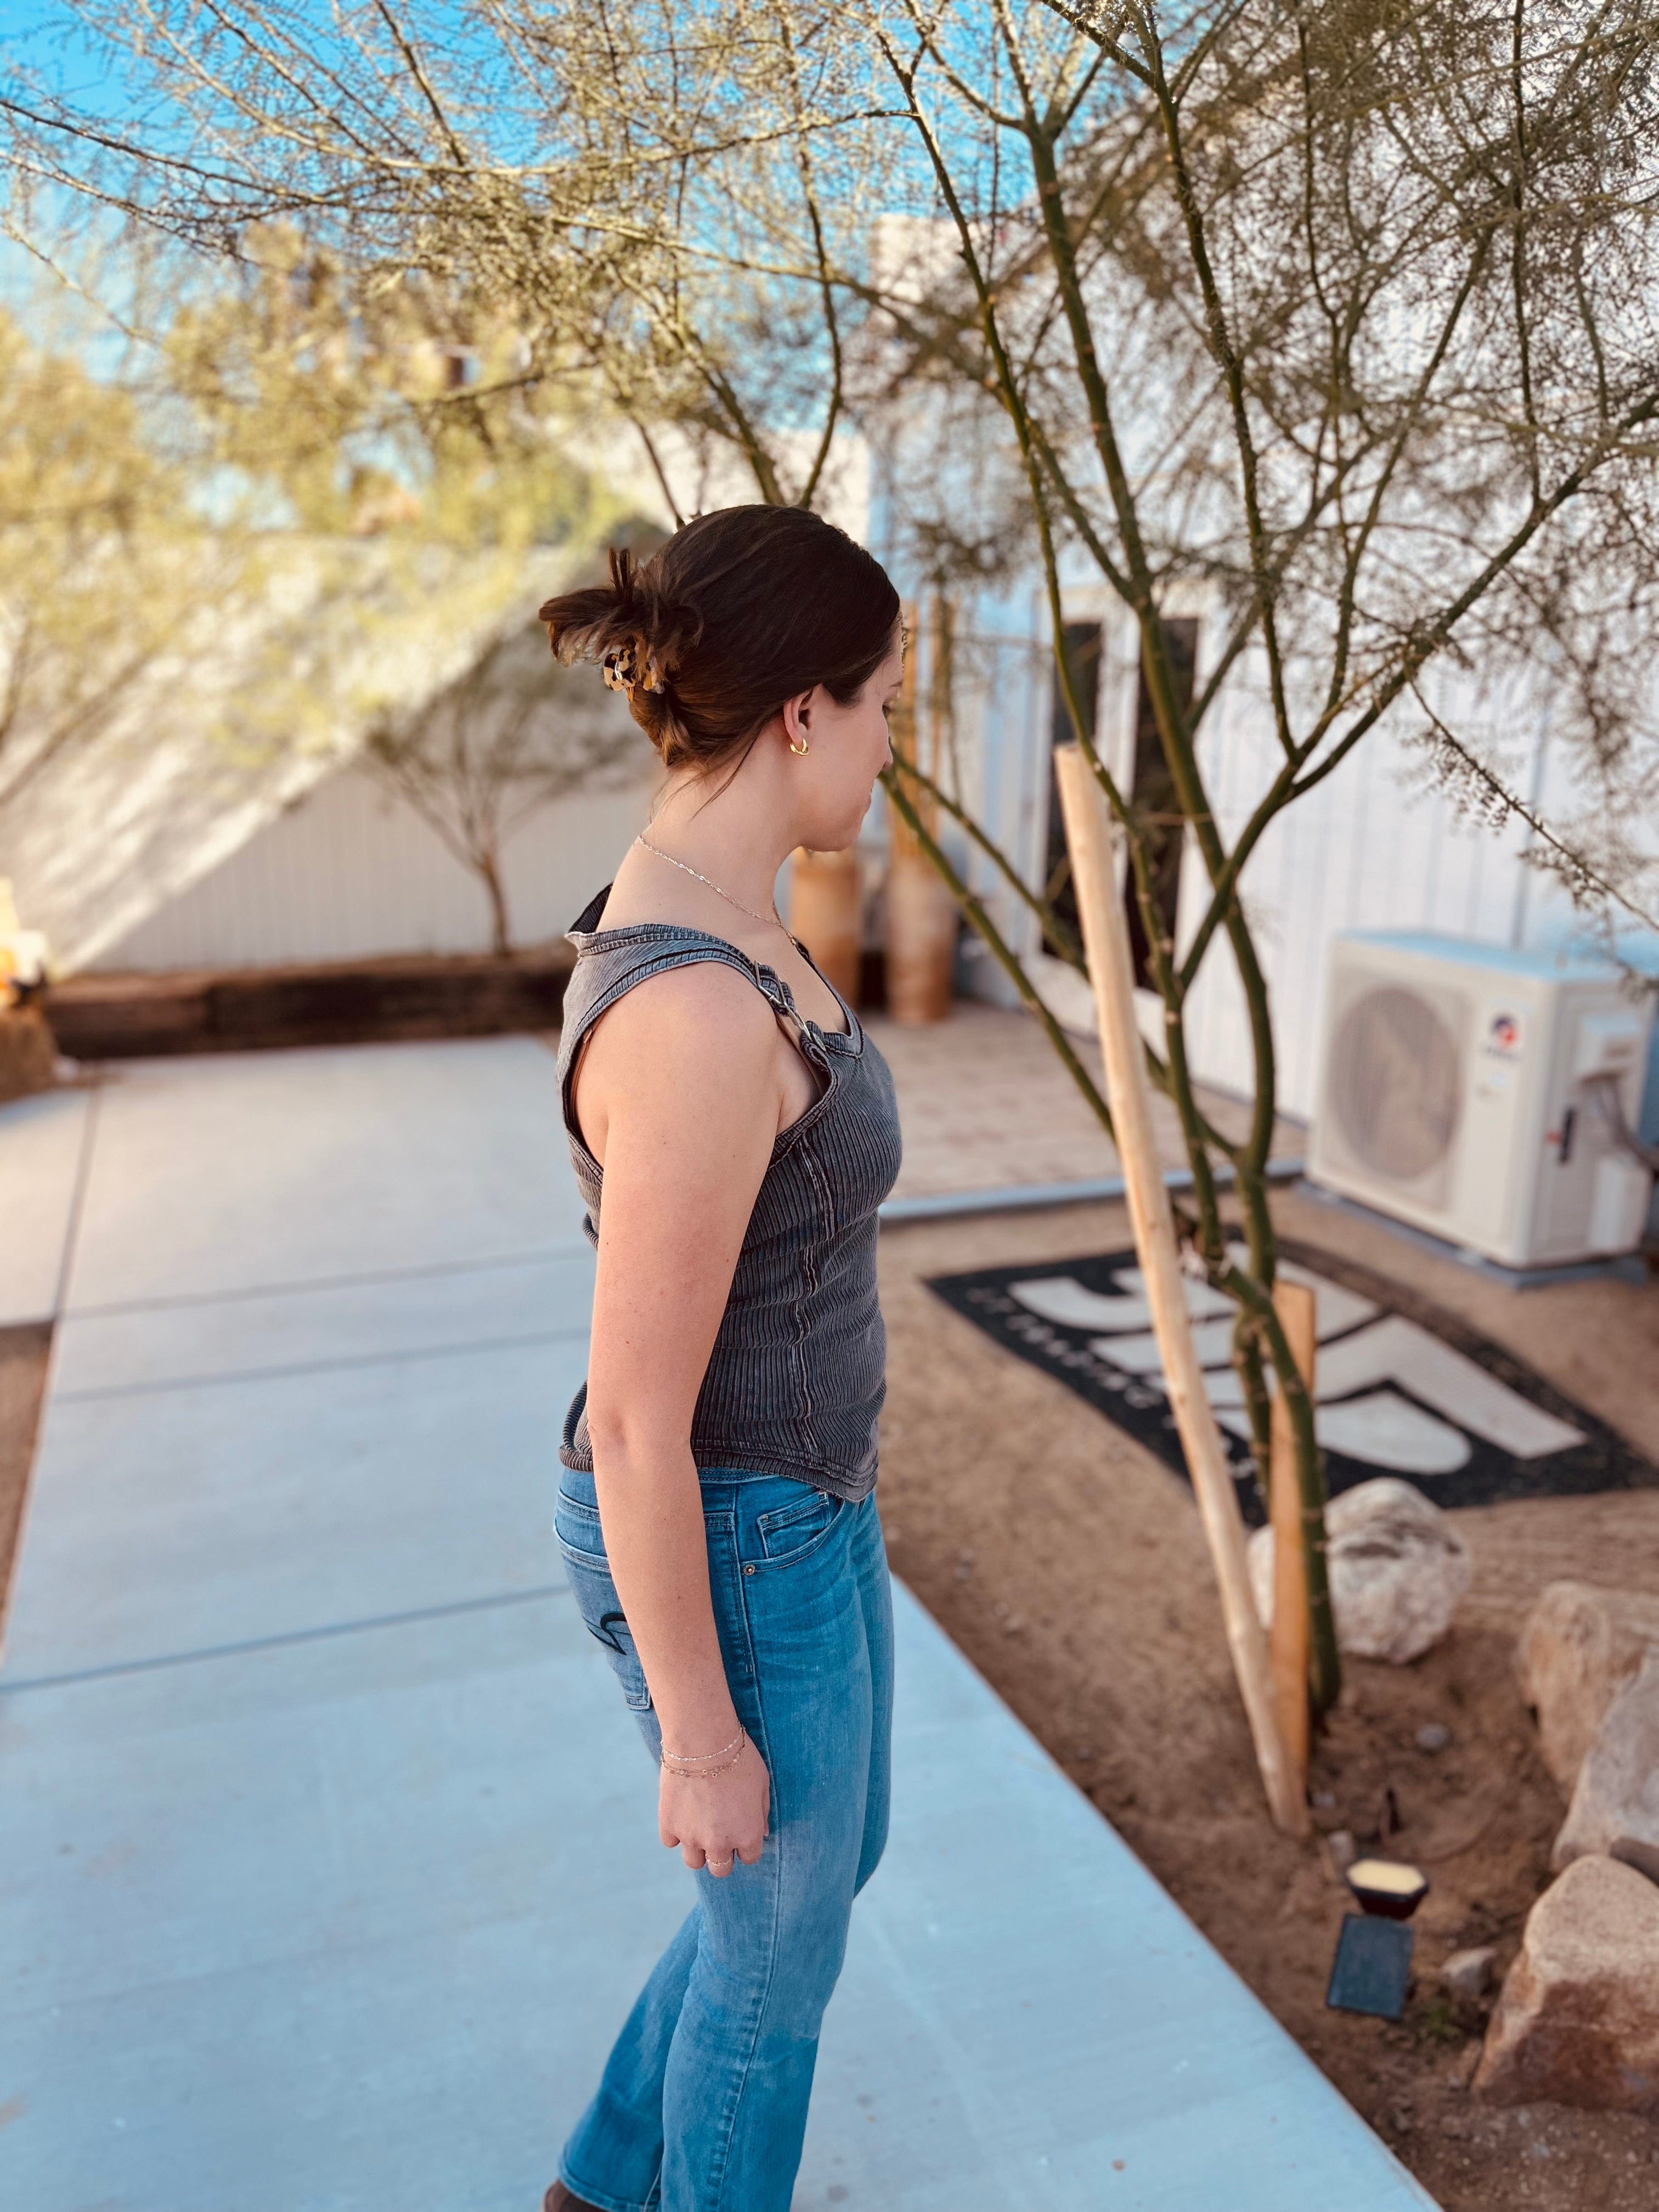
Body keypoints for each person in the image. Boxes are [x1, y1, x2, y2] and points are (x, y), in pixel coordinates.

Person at [536, 505, 906, 2212]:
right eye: (888, 703)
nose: (895, 740)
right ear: (800, 716)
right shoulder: (688, 1010)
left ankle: (606, 2180)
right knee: (773, 1973)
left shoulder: (729, 911)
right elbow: (633, 1419)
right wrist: (698, 1730)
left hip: (805, 1511)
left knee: (814, 1892)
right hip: (732, 1533)